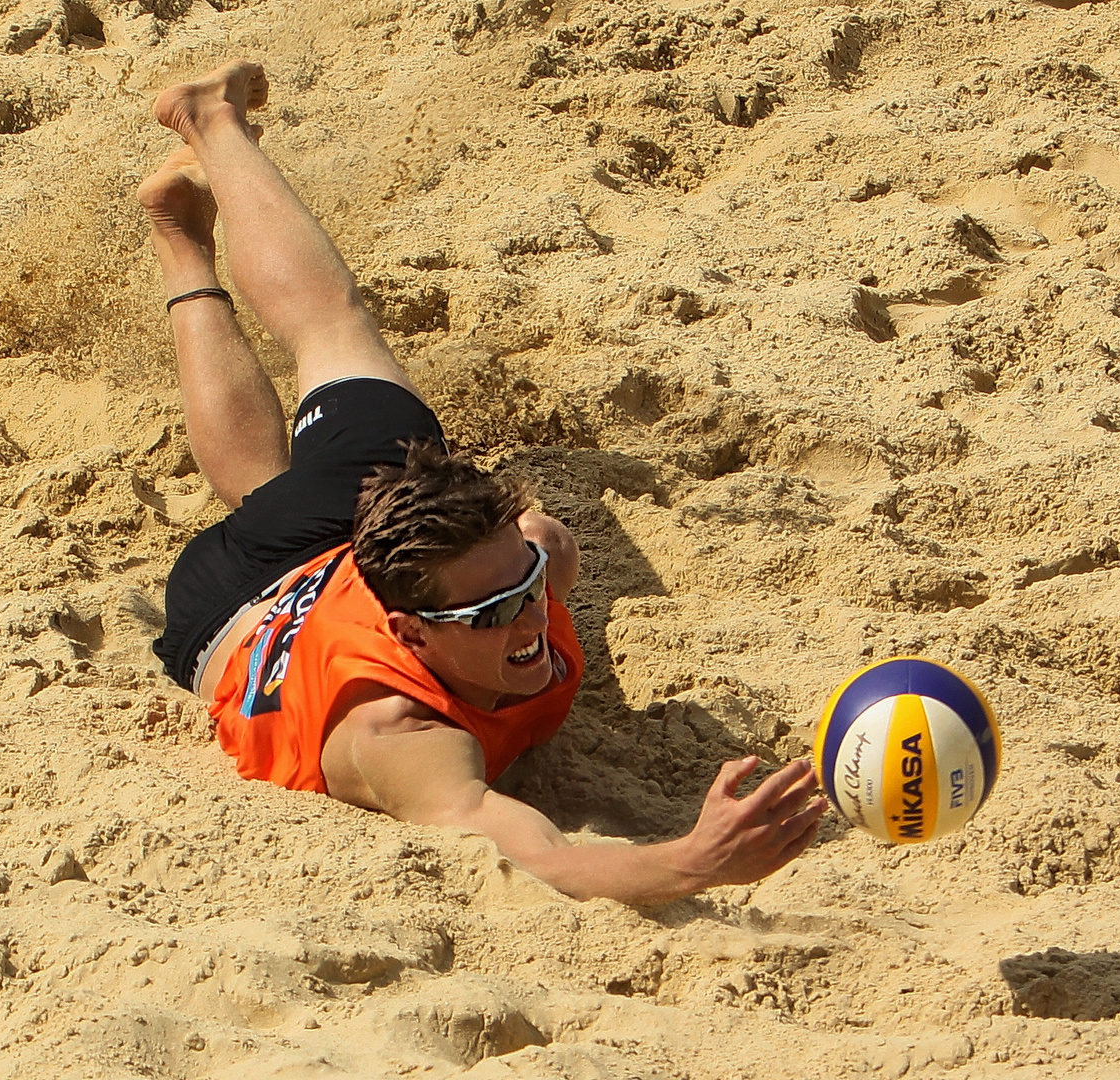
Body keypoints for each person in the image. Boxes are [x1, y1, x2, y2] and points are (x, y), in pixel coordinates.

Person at [138, 60, 826, 905]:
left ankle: (182, 238)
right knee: (321, 355)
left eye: (526, 588)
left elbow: (530, 552)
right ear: (414, 634)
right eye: (490, 614)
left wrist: (527, 561)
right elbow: (548, 859)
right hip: (224, 618)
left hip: (331, 559)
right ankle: (210, 120)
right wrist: (695, 860)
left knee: (330, 375)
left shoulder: (524, 571)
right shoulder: (404, 736)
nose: (532, 615)